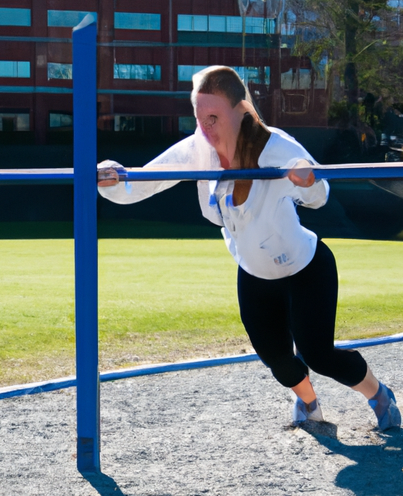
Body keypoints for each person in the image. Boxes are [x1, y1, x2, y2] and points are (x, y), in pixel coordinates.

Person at [97, 66, 401, 430]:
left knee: (320, 354)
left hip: (305, 269)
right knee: (278, 360)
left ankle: (379, 394)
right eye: (199, 119)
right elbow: (142, 182)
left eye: (213, 118)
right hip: (255, 275)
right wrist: (113, 178)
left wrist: (305, 179)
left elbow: (319, 196)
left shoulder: (276, 145)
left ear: (240, 111)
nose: (206, 130)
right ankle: (309, 405)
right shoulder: (197, 149)